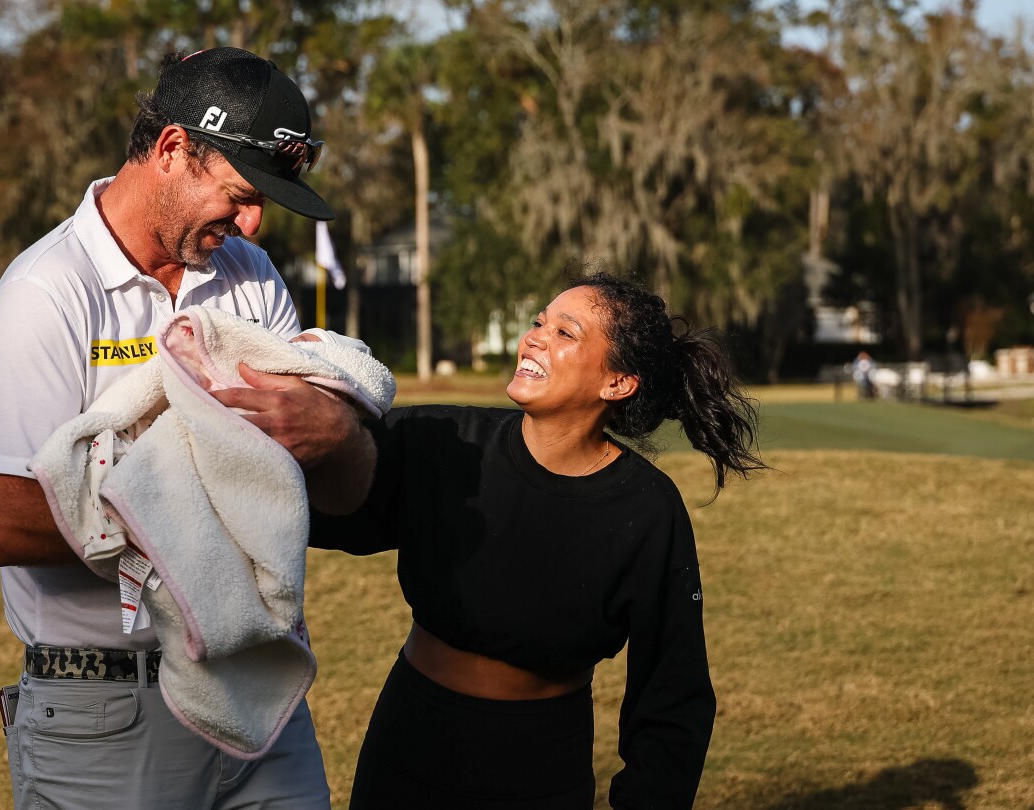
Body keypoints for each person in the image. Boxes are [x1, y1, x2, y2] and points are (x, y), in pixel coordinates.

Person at [0, 47, 374, 810]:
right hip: (106, 717)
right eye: (242, 195)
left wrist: (339, 435)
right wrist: (198, 513)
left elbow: (325, 490)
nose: (252, 223)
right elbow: (1, 521)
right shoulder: (47, 289)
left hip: (257, 694)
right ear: (174, 149)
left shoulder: (249, 275)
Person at [310, 272, 766, 809]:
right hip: (411, 740)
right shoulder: (444, 440)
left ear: (617, 383)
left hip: (541, 763)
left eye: (565, 332)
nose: (535, 337)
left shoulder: (646, 509)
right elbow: (316, 507)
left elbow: (673, 693)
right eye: (537, 322)